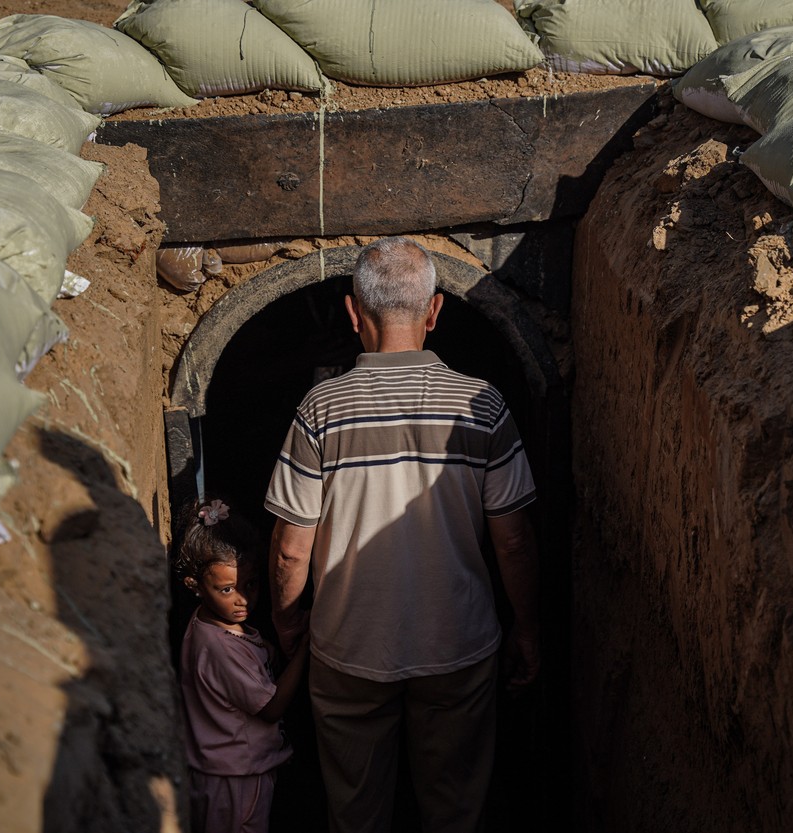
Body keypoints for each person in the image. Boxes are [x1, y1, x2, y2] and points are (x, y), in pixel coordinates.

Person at [264, 237, 541, 833]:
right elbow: (514, 541)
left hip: (348, 650)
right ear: (436, 311)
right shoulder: (483, 407)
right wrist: (528, 626)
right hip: (458, 648)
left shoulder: (320, 411)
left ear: (352, 312)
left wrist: (290, 627)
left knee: (356, 816)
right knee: (455, 812)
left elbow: (291, 547)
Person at [175, 496, 311, 833]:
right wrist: (308, 647)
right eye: (227, 589)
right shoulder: (222, 648)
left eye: (251, 584)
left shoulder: (209, 624)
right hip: (236, 781)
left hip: (225, 773)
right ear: (194, 585)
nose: (243, 598)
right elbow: (271, 707)